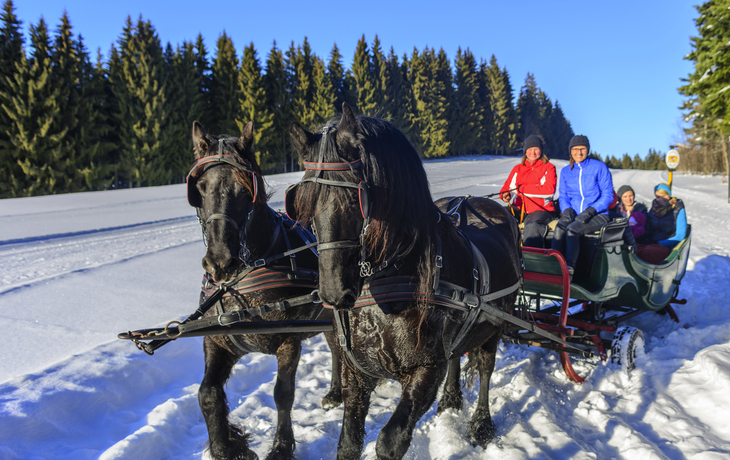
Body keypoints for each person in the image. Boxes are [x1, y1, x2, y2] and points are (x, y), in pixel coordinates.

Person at [551, 135, 614, 280]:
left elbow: (608, 195)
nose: (579, 152)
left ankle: (570, 271)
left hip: (598, 214)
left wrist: (591, 210)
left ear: (588, 150)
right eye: (575, 149)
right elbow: (564, 195)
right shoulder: (566, 171)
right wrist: (566, 210)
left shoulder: (599, 167)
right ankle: (553, 267)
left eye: (582, 149)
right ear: (570, 151)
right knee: (560, 228)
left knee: (572, 230)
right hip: (575, 214)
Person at [499, 135, 557, 247]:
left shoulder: (548, 167)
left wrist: (523, 189)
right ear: (525, 152)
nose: (533, 153)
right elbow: (506, 189)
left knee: (531, 225)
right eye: (530, 149)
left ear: (541, 150)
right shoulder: (518, 168)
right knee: (497, 215)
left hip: (541, 210)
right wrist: (506, 195)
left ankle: (531, 259)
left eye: (536, 149)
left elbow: (549, 191)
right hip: (519, 209)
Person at [635, 184, 687, 264]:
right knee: (633, 248)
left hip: (667, 244)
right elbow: (648, 227)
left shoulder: (678, 209)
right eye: (658, 197)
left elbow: (680, 235)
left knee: (647, 252)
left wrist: (661, 242)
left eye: (664, 196)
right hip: (652, 242)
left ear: (669, 195)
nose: (661, 199)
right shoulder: (654, 208)